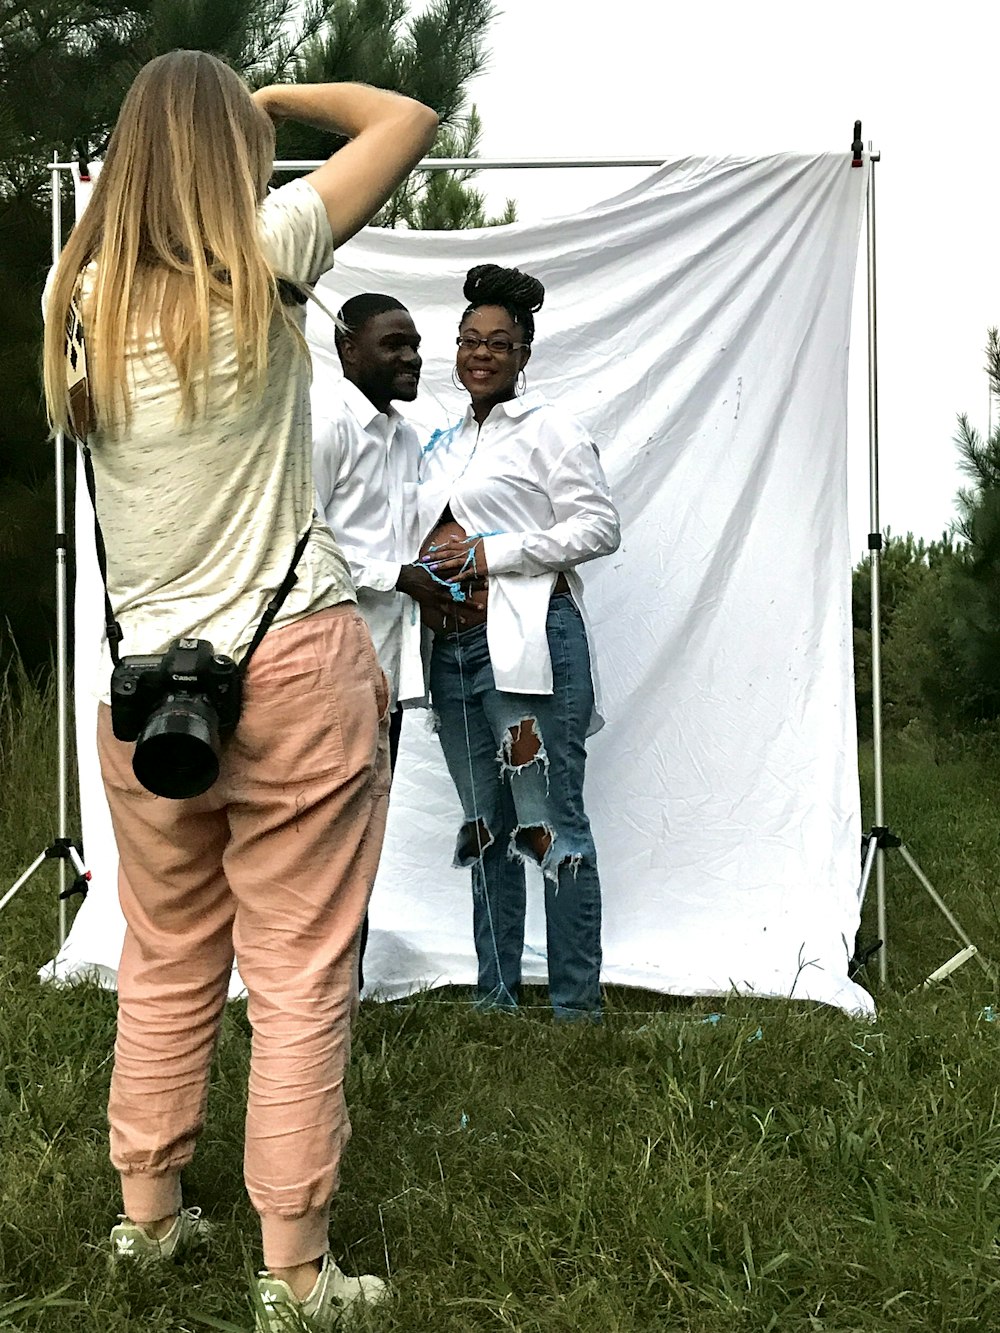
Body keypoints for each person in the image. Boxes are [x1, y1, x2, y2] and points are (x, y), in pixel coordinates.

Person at [42, 51, 437, 1331]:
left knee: (162, 957)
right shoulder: (264, 256)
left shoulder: (82, 299)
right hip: (293, 665)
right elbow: (407, 118)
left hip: (149, 695)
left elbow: (118, 226)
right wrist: (268, 111)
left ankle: (146, 1219)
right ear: (226, 156)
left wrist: (173, 135)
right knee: (301, 968)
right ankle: (294, 1271)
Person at [417, 264, 620, 1021]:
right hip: (453, 652)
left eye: (500, 342)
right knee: (488, 827)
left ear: (525, 353)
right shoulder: (441, 439)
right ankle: (494, 997)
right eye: (471, 339)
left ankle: (576, 1006)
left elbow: (600, 527)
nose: (482, 353)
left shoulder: (552, 430)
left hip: (531, 642)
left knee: (551, 820)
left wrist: (489, 552)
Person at [311, 294, 460, 984]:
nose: (411, 358)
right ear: (348, 349)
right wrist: (396, 574)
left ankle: (346, 983)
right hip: (325, 668)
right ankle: (300, 986)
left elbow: (401, 539)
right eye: (393, 345)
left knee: (365, 830)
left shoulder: (405, 436)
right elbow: (298, 538)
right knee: (317, 835)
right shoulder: (323, 421)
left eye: (414, 344)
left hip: (388, 672)